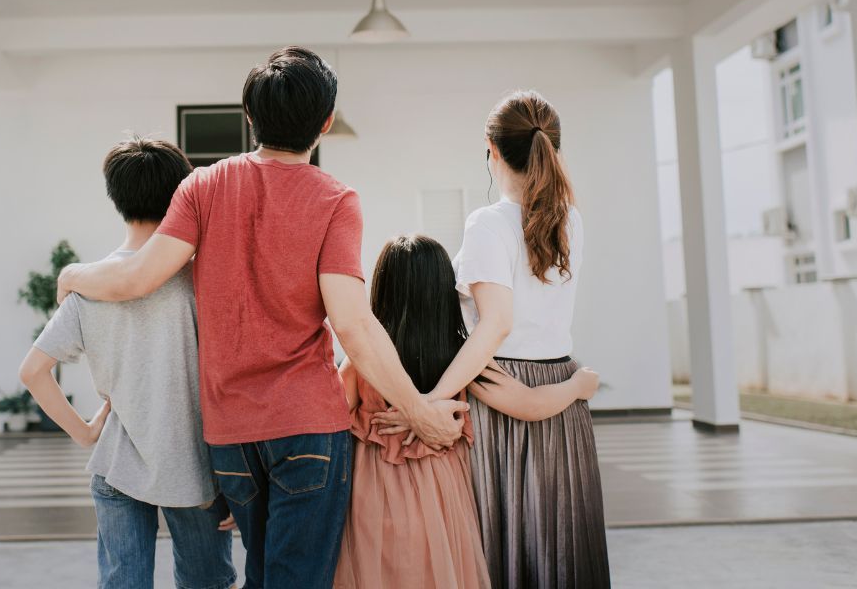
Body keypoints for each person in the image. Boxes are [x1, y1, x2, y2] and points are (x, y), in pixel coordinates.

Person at [58, 46, 467, 589]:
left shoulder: (202, 186)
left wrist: (72, 275)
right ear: (324, 123)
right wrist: (418, 411)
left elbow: (137, 278)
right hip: (307, 428)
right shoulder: (336, 199)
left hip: (230, 434)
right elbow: (353, 324)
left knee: (262, 573)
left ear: (249, 116)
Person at [407, 91, 610, 588]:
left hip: (501, 385)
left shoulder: (488, 223)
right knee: (559, 538)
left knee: (503, 541)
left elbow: (494, 325)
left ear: (492, 150)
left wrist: (430, 400)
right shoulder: (572, 218)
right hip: (561, 386)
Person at [18, 136, 235, 589]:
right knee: (207, 583)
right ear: (181, 193)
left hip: (117, 462)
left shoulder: (90, 286)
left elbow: (33, 372)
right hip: (195, 469)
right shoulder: (201, 279)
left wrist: (85, 432)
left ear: (116, 198)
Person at [336, 235, 600, 589]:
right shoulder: (461, 360)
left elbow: (325, 422)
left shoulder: (360, 364)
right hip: (444, 507)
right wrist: (578, 386)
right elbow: (529, 404)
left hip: (371, 500)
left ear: (382, 288)